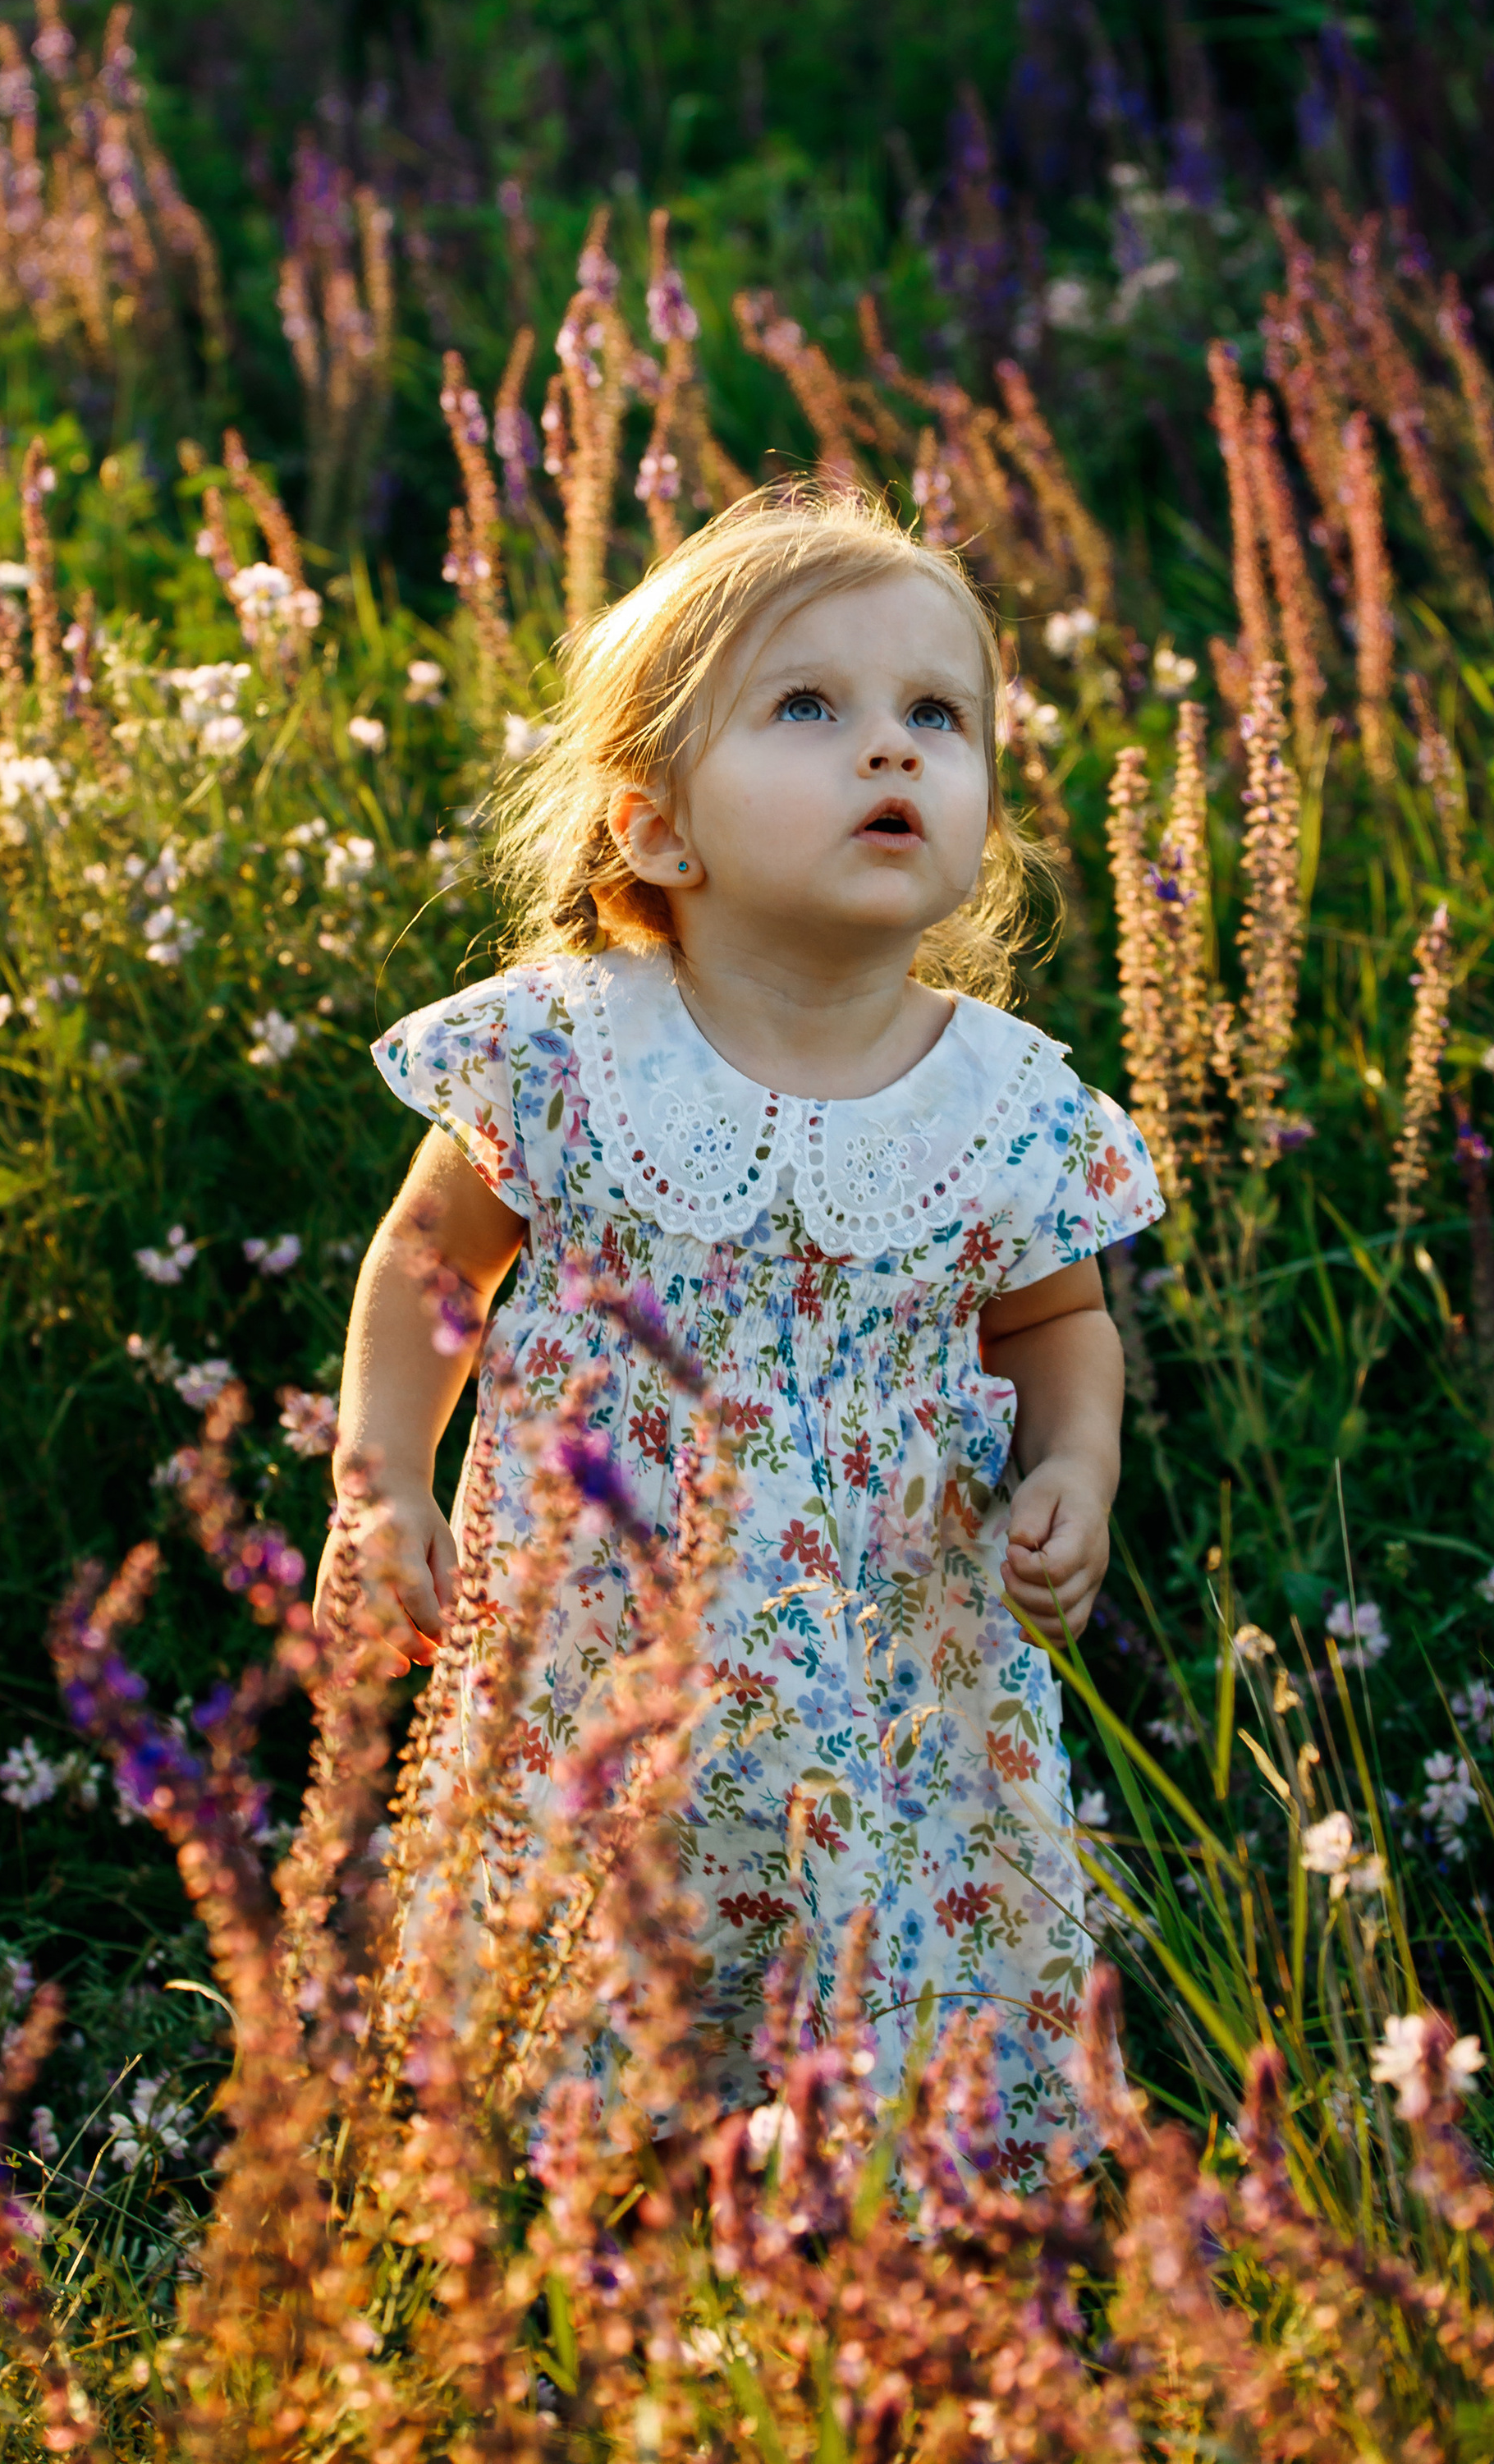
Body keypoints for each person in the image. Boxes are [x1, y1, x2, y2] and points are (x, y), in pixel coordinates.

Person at [314, 486, 1162, 2147]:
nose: (889, 752)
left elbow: (1057, 1318)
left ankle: (888, 2192)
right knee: (595, 1917)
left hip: (888, 1648)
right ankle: (588, 2188)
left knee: (896, 1927)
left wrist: (1075, 1457)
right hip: (600, 1636)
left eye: (937, 714)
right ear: (654, 827)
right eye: (808, 708)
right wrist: (383, 1477)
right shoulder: (564, 1055)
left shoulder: (1002, 1106)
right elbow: (430, 1256)